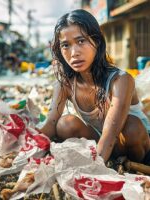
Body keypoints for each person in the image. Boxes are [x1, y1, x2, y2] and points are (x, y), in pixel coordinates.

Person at [39, 9, 150, 164]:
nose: (74, 53)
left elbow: (110, 135)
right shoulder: (65, 82)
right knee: (65, 124)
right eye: (66, 45)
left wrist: (94, 169)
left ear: (97, 41)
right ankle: (107, 159)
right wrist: (30, 147)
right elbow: (50, 123)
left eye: (81, 41)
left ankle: (124, 164)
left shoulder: (120, 80)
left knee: (132, 127)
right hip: (100, 140)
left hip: (130, 142)